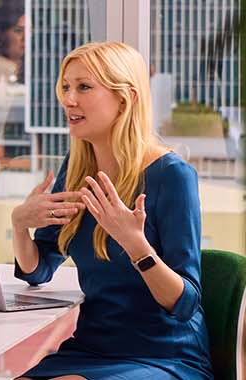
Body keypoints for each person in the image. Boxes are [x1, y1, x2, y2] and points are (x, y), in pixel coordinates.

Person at [13, 41, 210, 380]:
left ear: (126, 97)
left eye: (84, 87)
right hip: (91, 348)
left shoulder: (171, 175)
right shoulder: (76, 170)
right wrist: (19, 225)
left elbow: (184, 303)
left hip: (165, 354)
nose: (68, 99)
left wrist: (136, 245)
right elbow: (39, 270)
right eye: (66, 87)